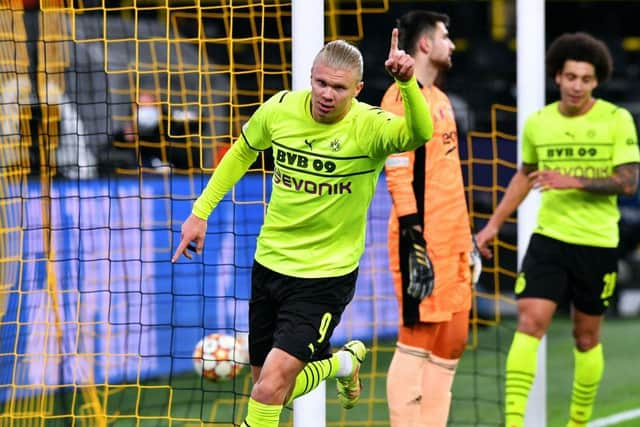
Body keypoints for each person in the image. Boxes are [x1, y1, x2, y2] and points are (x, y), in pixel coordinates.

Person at [172, 30, 435, 427]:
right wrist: (200, 212)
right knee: (268, 386)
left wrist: (407, 83)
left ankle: (337, 365)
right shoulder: (280, 109)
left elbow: (419, 133)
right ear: (310, 77)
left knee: (266, 391)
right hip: (270, 265)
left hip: (325, 276)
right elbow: (242, 151)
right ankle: (342, 363)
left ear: (358, 89)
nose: (327, 94)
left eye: (339, 88)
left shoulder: (371, 128)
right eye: (321, 83)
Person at [475, 32, 640, 427]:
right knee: (529, 323)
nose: (577, 85)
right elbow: (524, 175)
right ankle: (513, 422)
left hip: (597, 243)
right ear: (558, 78)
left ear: (596, 81)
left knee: (585, 338)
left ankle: (577, 422)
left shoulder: (617, 119)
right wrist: (492, 226)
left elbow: (629, 181)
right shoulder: (538, 123)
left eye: (586, 78)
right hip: (549, 239)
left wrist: (574, 180)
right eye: (571, 77)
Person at [382, 11, 481, 427]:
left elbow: (446, 176)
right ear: (424, 44)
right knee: (417, 341)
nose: (452, 44)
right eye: (446, 36)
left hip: (454, 241)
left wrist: (468, 239)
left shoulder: (440, 99)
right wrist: (411, 234)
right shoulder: (399, 98)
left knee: (454, 341)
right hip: (421, 241)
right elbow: (397, 171)